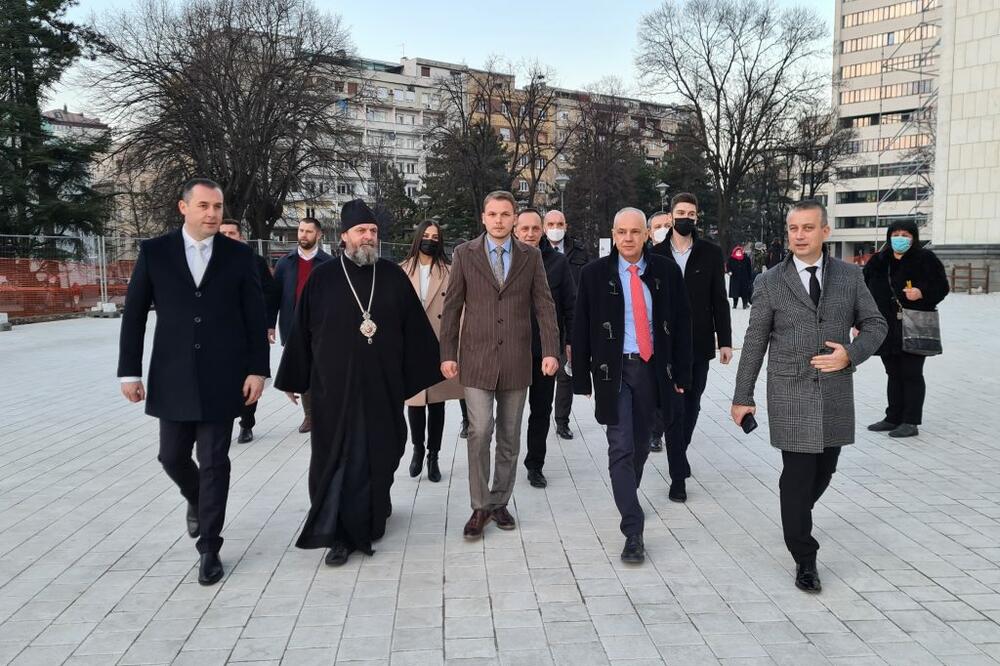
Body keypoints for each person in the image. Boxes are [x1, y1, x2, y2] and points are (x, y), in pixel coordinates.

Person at [118, 178, 269, 586]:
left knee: (215, 461)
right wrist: (129, 372)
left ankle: (210, 546)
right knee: (171, 457)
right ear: (183, 207)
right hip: (172, 375)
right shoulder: (155, 252)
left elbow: (255, 318)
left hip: (225, 376)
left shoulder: (239, 256)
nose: (212, 214)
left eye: (217, 206)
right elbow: (134, 315)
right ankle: (196, 499)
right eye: (203, 206)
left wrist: (258, 370)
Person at [274, 199, 441, 567]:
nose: (368, 237)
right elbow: (301, 333)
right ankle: (340, 534)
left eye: (373, 232)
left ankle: (374, 507)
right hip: (334, 391)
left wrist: (432, 368)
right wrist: (293, 378)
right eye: (361, 231)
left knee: (385, 451)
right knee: (338, 459)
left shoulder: (393, 276)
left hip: (382, 387)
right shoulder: (323, 278)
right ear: (345, 236)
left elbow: (416, 331)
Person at [731, 200, 886, 593]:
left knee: (825, 470)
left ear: (825, 232)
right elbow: (754, 342)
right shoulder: (768, 281)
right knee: (798, 477)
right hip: (789, 392)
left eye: (807, 228)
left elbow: (875, 324)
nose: (799, 235)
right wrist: (741, 396)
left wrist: (850, 354)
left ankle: (795, 515)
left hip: (835, 392)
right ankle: (805, 556)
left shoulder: (850, 277)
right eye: (793, 228)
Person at [572, 207, 692, 564]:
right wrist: (581, 377)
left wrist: (682, 375)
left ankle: (627, 491)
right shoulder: (595, 274)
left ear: (646, 235)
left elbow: (683, 323)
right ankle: (633, 529)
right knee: (620, 446)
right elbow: (580, 327)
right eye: (621, 232)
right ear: (613, 233)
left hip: (653, 371)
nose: (627, 238)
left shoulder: (666, 272)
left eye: (634, 232)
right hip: (614, 371)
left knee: (641, 445)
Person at [440, 191, 560, 539]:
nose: (499, 220)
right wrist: (447, 352)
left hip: (516, 360)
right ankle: (479, 506)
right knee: (479, 432)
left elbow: (544, 306)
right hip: (475, 360)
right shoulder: (465, 254)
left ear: (513, 218)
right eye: (492, 214)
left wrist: (551, 350)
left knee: (509, 436)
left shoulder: (530, 256)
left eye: (505, 214)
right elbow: (452, 307)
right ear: (483, 217)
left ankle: (499, 501)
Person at [650, 193, 733, 500]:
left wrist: (724, 340)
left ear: (697, 217)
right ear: (671, 216)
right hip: (665, 344)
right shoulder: (656, 253)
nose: (686, 217)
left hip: (698, 343)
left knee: (693, 404)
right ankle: (677, 476)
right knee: (672, 407)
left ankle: (678, 455)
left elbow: (719, 300)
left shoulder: (710, 253)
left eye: (691, 213)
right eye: (680, 212)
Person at [863, 219, 949, 438]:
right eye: (896, 234)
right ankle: (893, 417)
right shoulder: (879, 261)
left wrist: (922, 293)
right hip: (885, 326)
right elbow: (863, 292)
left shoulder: (925, 259)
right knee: (892, 372)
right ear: (889, 236)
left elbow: (942, 287)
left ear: (914, 237)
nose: (900, 238)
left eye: (905, 234)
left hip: (913, 324)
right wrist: (859, 321)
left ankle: (910, 421)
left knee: (911, 373)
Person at [514, 209, 576, 489]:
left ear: (541, 231)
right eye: (524, 228)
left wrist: (570, 342)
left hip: (544, 351)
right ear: (515, 229)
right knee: (509, 413)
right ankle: (505, 463)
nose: (529, 234)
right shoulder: (504, 260)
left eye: (534, 229)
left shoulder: (557, 262)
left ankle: (535, 465)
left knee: (540, 410)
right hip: (510, 350)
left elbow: (570, 306)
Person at [399, 220, 465, 482]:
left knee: (437, 403)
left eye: (435, 236)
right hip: (411, 344)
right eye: (426, 235)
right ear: (417, 238)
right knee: (415, 402)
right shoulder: (401, 270)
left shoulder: (450, 271)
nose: (430, 240)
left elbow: (461, 309)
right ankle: (416, 450)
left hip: (441, 343)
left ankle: (433, 455)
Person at [269, 218, 333, 434]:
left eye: (308, 231)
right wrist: (270, 325)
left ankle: (326, 412)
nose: (303, 235)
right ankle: (309, 416)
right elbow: (274, 296)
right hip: (293, 326)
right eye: (301, 230)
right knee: (302, 370)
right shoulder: (285, 263)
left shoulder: (328, 263)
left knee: (322, 371)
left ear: (319, 235)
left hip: (322, 328)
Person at [219, 219, 275, 444]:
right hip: (219, 334)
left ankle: (246, 424)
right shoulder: (205, 262)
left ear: (240, 236)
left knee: (250, 379)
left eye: (232, 233)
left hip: (250, 332)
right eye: (223, 233)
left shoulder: (255, 261)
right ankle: (221, 425)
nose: (227, 237)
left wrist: (269, 324)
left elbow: (270, 293)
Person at [544, 209, 589, 440]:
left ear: (566, 225)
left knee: (565, 374)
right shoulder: (535, 252)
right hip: (543, 321)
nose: (555, 227)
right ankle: (540, 415)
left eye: (559, 223)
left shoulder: (580, 251)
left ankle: (562, 421)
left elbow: (588, 285)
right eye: (550, 223)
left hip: (570, 320)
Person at [727, 243, 754, 309]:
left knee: (744, 292)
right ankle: (735, 304)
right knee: (735, 293)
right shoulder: (731, 259)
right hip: (735, 278)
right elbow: (728, 266)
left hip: (744, 278)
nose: (738, 253)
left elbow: (749, 268)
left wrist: (750, 277)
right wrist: (729, 271)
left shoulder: (746, 259)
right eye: (737, 251)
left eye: (740, 251)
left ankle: (744, 304)